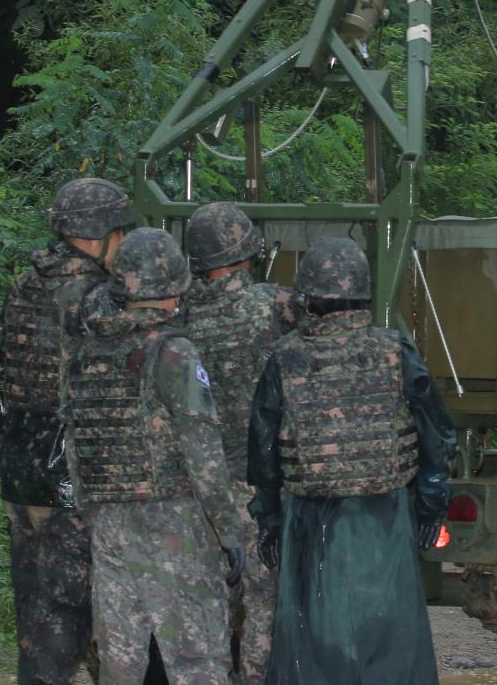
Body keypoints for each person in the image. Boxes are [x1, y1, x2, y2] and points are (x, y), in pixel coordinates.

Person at [248, 236, 456, 685]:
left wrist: (268, 519)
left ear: (308, 297)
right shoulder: (395, 352)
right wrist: (430, 507)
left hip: (311, 522)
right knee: (391, 645)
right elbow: (436, 435)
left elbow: (263, 451)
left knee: (313, 648)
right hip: (383, 518)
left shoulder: (286, 357)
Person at [62, 226, 246, 685]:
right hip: (173, 526)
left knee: (120, 664)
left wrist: (91, 515)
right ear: (177, 284)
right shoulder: (173, 352)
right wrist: (228, 532)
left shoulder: (86, 351)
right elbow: (202, 451)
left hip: (109, 526)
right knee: (197, 662)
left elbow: (72, 446)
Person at [0, 176, 134, 685]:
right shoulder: (96, 299)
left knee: (38, 615)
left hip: (21, 471)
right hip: (73, 480)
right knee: (76, 620)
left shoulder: (24, 285)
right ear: (104, 235)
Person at [184, 202, 298, 684]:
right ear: (248, 250)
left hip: (197, 486)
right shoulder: (274, 306)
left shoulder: (180, 317)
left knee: (203, 600)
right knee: (263, 600)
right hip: (257, 486)